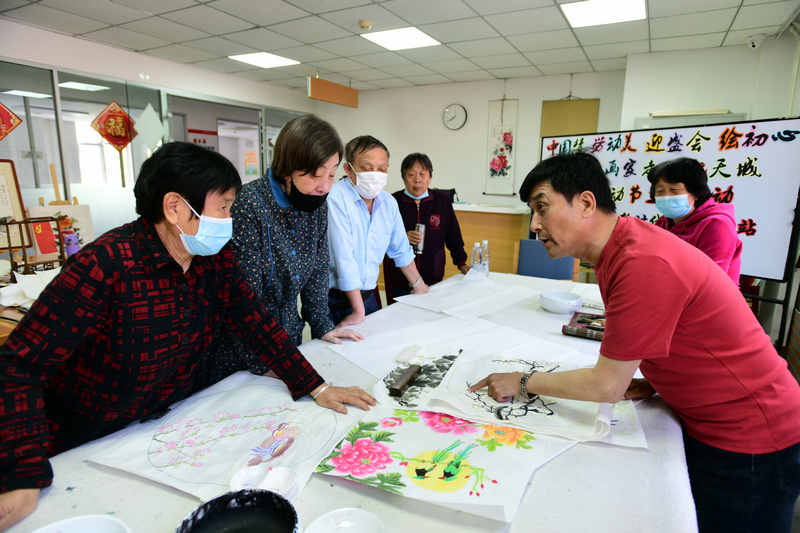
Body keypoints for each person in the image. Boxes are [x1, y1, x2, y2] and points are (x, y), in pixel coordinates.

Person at [0, 142, 375, 532]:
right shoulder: (105, 266)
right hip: (84, 441)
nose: (230, 218)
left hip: (161, 429)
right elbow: (18, 367)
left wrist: (314, 385)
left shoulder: (213, 257)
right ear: (175, 206)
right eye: (224, 206)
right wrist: (21, 473)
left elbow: (254, 321)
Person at [470, 152, 800, 533]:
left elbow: (606, 385)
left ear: (586, 203)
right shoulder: (618, 249)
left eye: (542, 208)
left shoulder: (642, 261)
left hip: (753, 436)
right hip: (715, 421)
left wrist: (521, 381)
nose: (535, 225)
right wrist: (657, 381)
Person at [202, 115, 363, 384]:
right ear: (288, 168)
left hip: (288, 337)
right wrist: (266, 362)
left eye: (332, 173)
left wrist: (322, 324)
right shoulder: (249, 206)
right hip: (243, 349)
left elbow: (318, 270)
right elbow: (243, 301)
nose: (325, 186)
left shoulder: (317, 204)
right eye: (315, 174)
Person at [327, 136, 429, 326]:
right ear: (349, 169)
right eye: (366, 169)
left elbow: (401, 250)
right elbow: (343, 260)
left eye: (381, 169)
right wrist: (358, 311)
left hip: (367, 298)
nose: (375, 174)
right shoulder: (335, 198)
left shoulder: (388, 202)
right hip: (335, 300)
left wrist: (419, 285)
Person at [647, 157, 742, 284]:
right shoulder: (664, 222)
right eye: (660, 191)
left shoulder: (717, 225)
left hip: (708, 300)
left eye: (674, 190)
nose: (666, 197)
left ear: (696, 193)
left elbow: (710, 281)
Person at [388, 153, 469, 300]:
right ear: (403, 178)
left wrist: (461, 263)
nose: (417, 180)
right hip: (400, 279)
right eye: (411, 174)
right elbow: (381, 238)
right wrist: (402, 237)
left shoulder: (442, 201)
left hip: (433, 278)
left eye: (422, 175)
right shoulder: (392, 201)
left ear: (430, 178)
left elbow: (453, 236)